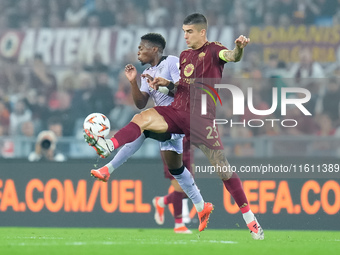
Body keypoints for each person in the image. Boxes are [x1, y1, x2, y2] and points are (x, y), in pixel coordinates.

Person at [85, 13, 264, 240]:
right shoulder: (184, 56)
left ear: (202, 32)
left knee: (222, 168)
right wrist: (164, 85)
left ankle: (251, 221)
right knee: (143, 118)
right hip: (177, 112)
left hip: (201, 118)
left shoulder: (213, 50)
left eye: (189, 31)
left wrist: (239, 48)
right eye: (184, 32)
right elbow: (180, 89)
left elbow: (233, 56)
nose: (185, 36)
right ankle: (108, 145)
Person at [89, 33, 193, 234]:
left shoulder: (172, 62)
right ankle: (179, 222)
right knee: (176, 175)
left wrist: (163, 84)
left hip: (183, 122)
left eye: (141, 47)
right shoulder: (147, 72)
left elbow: (184, 90)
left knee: (184, 181)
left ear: (154, 49)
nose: (138, 51)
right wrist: (133, 82)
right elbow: (140, 103)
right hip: (167, 124)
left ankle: (163, 203)